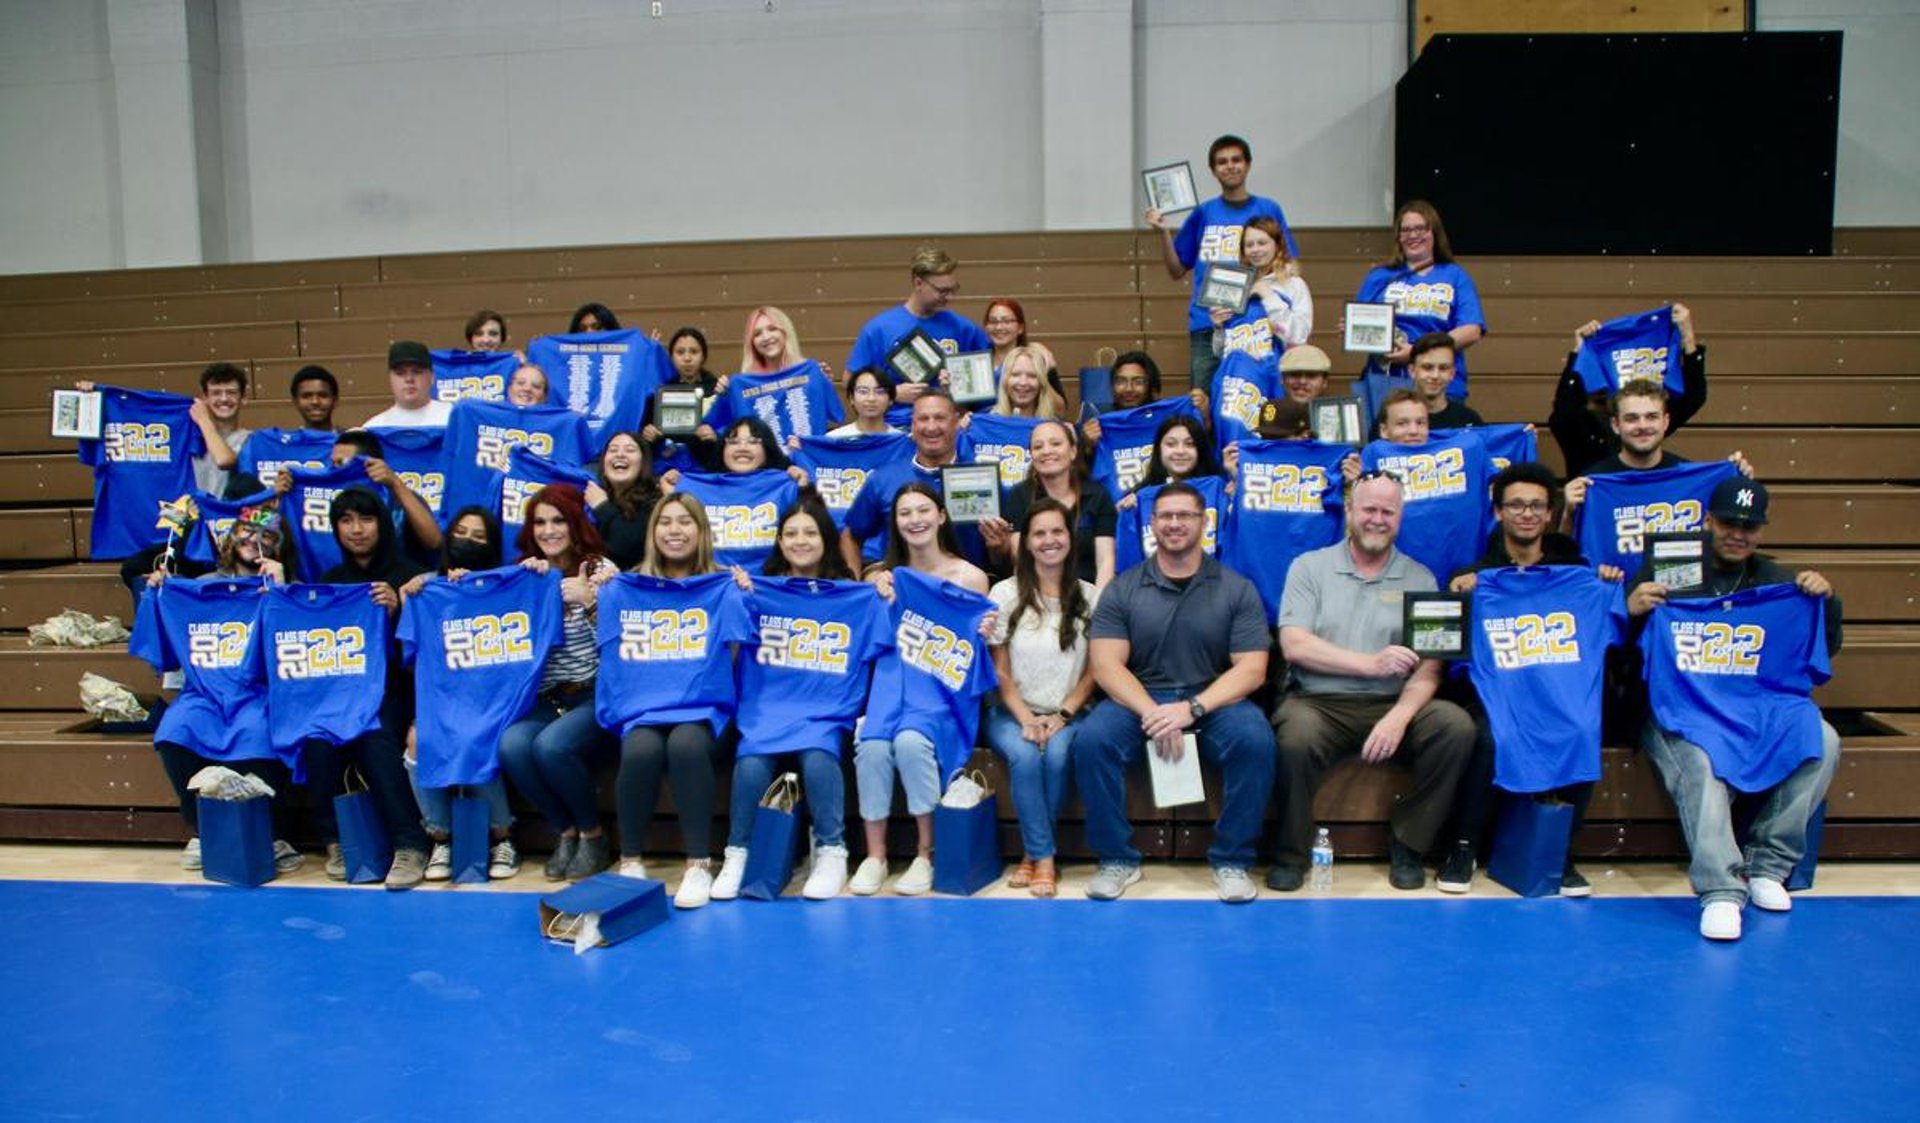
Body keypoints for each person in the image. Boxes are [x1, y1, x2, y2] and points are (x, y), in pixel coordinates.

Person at [1628, 478, 1842, 941]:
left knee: (1823, 739)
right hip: (1679, 709)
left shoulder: (1782, 583)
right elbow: (1622, 654)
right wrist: (1631, 611)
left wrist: (1826, 603)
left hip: (1755, 708)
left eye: (1749, 526)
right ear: (1708, 521)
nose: (1738, 534)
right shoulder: (1671, 569)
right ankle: (1721, 890)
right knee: (1701, 765)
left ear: (1762, 531)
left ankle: (1768, 864)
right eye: (1728, 523)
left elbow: (1823, 647)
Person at [1270, 471, 1476, 892]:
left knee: (1454, 727)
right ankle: (1291, 853)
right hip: (1318, 702)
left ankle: (1409, 842)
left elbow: (1430, 665)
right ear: (1349, 511)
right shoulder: (1309, 568)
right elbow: (1294, 645)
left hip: (1392, 704)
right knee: (1293, 738)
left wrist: (1400, 716)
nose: (1377, 520)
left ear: (1400, 517)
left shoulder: (1421, 578)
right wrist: (1371, 665)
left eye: (1388, 511)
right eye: (1369, 509)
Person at [1074, 483, 1275, 902]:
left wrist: (1192, 708)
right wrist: (1154, 712)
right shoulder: (1123, 589)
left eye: (1185, 515)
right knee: (1092, 741)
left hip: (1213, 700)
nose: (1174, 523)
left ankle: (1232, 860)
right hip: (1140, 698)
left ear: (1204, 522)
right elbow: (1106, 665)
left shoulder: (1237, 588)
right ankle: (1117, 859)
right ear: (1151, 523)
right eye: (1165, 515)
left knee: (1256, 740)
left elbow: (1253, 669)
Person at [1442, 463, 1625, 895]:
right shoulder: (1473, 578)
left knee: (1582, 730)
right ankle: (1464, 847)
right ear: (1498, 512)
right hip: (1499, 698)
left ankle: (1558, 852)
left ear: (1549, 514)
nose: (1527, 513)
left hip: (1558, 695)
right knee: (1491, 738)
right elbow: (1452, 657)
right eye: (1517, 505)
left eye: (1537, 506)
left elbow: (1614, 622)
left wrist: (1607, 584)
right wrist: (1460, 596)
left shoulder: (1577, 576)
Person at [130, 512, 303, 877]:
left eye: (267, 535)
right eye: (246, 530)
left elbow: (301, 646)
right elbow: (164, 647)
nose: (254, 539)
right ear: (229, 536)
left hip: (260, 693)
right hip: (203, 693)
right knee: (174, 729)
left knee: (258, 732)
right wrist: (159, 592)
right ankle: (203, 831)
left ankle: (271, 833)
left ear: (280, 546)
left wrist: (283, 591)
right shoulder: (198, 587)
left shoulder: (284, 584)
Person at [715, 498, 860, 901]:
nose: (800, 540)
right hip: (767, 709)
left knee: (818, 757)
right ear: (779, 541)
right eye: (791, 533)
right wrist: (738, 596)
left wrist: (881, 587)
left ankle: (831, 851)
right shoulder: (757, 590)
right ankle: (738, 854)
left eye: (810, 532)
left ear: (826, 539)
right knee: (751, 764)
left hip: (824, 710)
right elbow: (731, 642)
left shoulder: (852, 595)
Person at [849, 484, 991, 896]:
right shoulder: (884, 578)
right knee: (872, 747)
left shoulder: (971, 577)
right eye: (905, 512)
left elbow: (976, 643)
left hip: (941, 696)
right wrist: (878, 595)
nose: (915, 520)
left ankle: (926, 853)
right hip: (890, 688)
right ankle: (875, 856)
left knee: (911, 743)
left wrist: (985, 630)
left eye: (923, 510)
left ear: (941, 515)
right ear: (895, 523)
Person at [606, 492, 734, 907]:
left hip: (703, 708)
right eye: (665, 522)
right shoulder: (626, 586)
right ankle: (630, 861)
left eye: (684, 522)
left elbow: (734, 653)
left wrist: (743, 591)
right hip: (644, 707)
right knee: (639, 749)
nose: (674, 531)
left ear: (701, 531)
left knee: (686, 744)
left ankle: (698, 864)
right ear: (652, 531)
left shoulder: (724, 584)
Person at [494, 485, 618, 883]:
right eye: (540, 522)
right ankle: (566, 832)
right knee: (512, 745)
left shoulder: (600, 569)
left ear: (575, 524)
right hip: (546, 698)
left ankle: (593, 836)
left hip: (595, 694)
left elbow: (624, 646)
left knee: (550, 747)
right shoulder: (524, 574)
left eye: (558, 520)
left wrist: (589, 602)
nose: (548, 530)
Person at [311, 485, 433, 889]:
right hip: (341, 695)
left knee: (375, 737)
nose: (356, 529)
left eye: (366, 519)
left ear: (383, 523)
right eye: (345, 520)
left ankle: (411, 844)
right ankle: (337, 841)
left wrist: (399, 611)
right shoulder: (329, 583)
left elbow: (426, 652)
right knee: (316, 739)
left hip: (396, 691)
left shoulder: (409, 576)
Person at [396, 506, 521, 881]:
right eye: (461, 532)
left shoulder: (508, 585)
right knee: (417, 741)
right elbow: (414, 661)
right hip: (446, 700)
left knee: (473, 735)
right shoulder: (427, 588)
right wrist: (415, 602)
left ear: (492, 545)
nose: (468, 541)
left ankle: (503, 836)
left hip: (499, 700)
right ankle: (442, 838)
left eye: (479, 537)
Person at [985, 499, 1096, 898]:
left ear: (1070, 538)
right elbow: (1001, 673)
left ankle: (1031, 855)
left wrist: (1062, 715)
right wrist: (1027, 719)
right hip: (1010, 711)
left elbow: (1095, 671)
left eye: (1057, 531)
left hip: (1070, 712)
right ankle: (1045, 858)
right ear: (1027, 542)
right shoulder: (1004, 593)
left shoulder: (1090, 596)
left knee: (1059, 756)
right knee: (1028, 756)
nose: (1049, 540)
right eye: (1039, 533)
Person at [1145, 133, 1296, 391]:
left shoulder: (1269, 208)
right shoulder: (1203, 213)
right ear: (1213, 170)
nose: (1230, 166)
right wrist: (1163, 232)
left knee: (1259, 400)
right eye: (1222, 162)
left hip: (1256, 324)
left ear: (1248, 164)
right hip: (1208, 325)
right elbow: (1176, 270)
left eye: (1236, 160)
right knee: (1203, 400)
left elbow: (1287, 264)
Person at [1550, 302, 1707, 479]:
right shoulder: (1587, 440)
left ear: (1665, 422)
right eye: (1631, 418)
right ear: (1615, 424)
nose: (1642, 425)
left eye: (1651, 416)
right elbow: (1564, 414)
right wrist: (1580, 355)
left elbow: (1693, 398)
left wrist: (1688, 338)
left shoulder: (1676, 468)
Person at [839, 389, 990, 573]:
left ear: (956, 422)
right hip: (901, 586)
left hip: (966, 585)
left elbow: (1004, 550)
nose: (931, 427)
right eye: (923, 419)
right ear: (912, 425)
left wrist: (1000, 546)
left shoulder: (982, 479)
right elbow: (851, 535)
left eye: (940, 418)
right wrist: (856, 581)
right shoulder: (883, 479)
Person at [1354, 200, 1486, 397]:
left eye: (1420, 228)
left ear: (1434, 233)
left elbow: (1472, 330)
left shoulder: (1455, 275)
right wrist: (1353, 330)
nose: (1413, 235)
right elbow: (1361, 324)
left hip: (1440, 384)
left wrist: (1418, 352)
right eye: (1406, 230)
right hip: (1386, 382)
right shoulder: (1379, 276)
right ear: (1398, 237)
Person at [845, 246, 990, 409]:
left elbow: (986, 379)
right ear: (918, 283)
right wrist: (892, 393)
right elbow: (850, 381)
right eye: (942, 291)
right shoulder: (879, 329)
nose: (949, 297)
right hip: (897, 420)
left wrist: (957, 389)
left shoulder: (964, 328)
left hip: (946, 419)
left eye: (953, 289)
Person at [1003, 420, 1117, 590]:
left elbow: (1106, 561)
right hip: (1035, 592)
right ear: (1032, 456)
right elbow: (1020, 557)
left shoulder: (1098, 496)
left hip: (1089, 593)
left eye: (1055, 444)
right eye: (1038, 447)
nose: (1046, 451)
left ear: (1073, 451)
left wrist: (1097, 602)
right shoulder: (1019, 496)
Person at [1210, 216, 1312, 362]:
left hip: (1277, 373)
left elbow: (1299, 338)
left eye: (1262, 243)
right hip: (1237, 373)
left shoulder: (1294, 284)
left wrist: (1268, 296)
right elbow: (1220, 353)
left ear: (1278, 245)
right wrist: (1219, 328)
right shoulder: (1235, 287)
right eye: (1249, 245)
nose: (1255, 249)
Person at [584, 431, 659, 570]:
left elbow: (631, 547)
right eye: (613, 450)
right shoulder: (589, 495)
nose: (620, 454)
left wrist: (602, 507)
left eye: (630, 450)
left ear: (643, 462)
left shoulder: (656, 502)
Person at [364, 341, 452, 428]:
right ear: (390, 379)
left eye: (417, 372)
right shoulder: (374, 427)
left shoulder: (453, 418)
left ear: (432, 377)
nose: (409, 379)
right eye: (400, 373)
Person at [1408, 333, 1484, 429]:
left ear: (1452, 373)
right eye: (1427, 367)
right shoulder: (1396, 418)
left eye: (1443, 368)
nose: (1435, 375)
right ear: (1412, 371)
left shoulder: (1468, 420)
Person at [987, 342, 1067, 420]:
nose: (1023, 382)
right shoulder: (988, 422)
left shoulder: (1053, 426)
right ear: (1005, 380)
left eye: (1032, 376)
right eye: (1016, 375)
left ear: (1041, 382)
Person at [825, 368, 897, 438]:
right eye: (863, 391)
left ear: (890, 399)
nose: (871, 399)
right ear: (852, 398)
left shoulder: (900, 440)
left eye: (880, 392)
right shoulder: (834, 439)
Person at [982, 298, 1028, 371]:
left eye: (1006, 321)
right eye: (993, 321)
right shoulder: (980, 362)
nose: (999, 327)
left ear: (1020, 327)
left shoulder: (1030, 363)